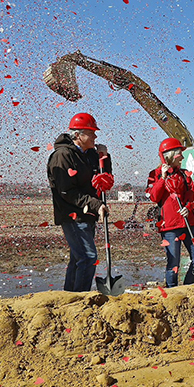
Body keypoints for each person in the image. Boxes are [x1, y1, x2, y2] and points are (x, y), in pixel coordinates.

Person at [47, 113, 113, 292]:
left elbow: (105, 178)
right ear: (78, 135)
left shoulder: (91, 154)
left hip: (88, 214)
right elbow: (66, 191)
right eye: (91, 133)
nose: (95, 137)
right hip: (72, 215)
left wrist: (104, 158)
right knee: (88, 257)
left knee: (78, 259)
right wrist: (95, 204)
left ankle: (70, 296)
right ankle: (81, 297)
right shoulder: (62, 156)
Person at [147, 138, 194, 287]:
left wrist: (188, 207)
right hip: (169, 227)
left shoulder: (185, 174)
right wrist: (163, 178)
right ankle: (172, 290)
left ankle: (187, 287)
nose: (182, 157)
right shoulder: (154, 174)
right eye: (180, 153)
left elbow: (191, 196)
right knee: (173, 262)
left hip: (189, 223)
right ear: (169, 155)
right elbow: (154, 197)